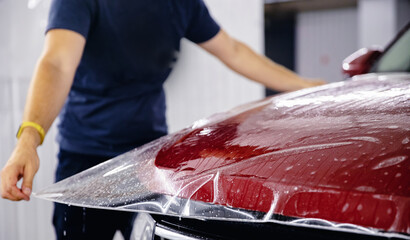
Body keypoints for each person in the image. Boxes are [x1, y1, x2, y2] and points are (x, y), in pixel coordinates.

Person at [0, 0, 325, 239]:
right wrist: (28, 140)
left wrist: (308, 86)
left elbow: (234, 52)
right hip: (85, 162)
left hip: (147, 159)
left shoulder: (181, 4)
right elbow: (57, 63)